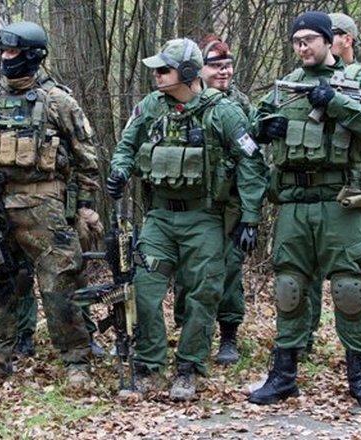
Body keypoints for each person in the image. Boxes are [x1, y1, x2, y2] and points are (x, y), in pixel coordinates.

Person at [0, 21, 101, 391]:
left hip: (44, 207)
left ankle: (77, 362)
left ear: (32, 55)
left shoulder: (59, 102)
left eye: (12, 51)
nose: (5, 58)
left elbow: (87, 160)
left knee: (60, 282)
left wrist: (85, 206)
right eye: (3, 51)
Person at [106, 38, 267, 401]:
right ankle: (150, 364)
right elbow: (127, 146)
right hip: (160, 217)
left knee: (203, 293)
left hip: (205, 218)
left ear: (189, 72)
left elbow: (251, 164)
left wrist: (250, 218)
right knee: (144, 289)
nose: (157, 75)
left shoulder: (222, 112)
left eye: (165, 70)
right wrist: (120, 171)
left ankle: (188, 368)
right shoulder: (150, 107)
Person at [247, 11, 361, 409]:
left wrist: (337, 103)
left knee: (349, 288)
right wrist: (263, 129)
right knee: (289, 288)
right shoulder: (284, 87)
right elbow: (252, 129)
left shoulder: (356, 83)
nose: (302, 46)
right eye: (297, 41)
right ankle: (283, 376)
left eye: (310, 39)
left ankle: (360, 377)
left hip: (340, 202)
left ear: (329, 41)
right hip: (293, 203)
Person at [302, 13, 361, 370]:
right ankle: (302, 338)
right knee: (302, 271)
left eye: (333, 33)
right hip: (311, 189)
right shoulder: (306, 78)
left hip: (354, 184)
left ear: (346, 39)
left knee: (355, 272)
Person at [173, 34, 260, 366]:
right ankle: (190, 332)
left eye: (228, 65)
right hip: (194, 202)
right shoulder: (184, 102)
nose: (224, 71)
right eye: (215, 65)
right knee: (188, 272)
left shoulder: (240, 104)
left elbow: (252, 157)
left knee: (230, 268)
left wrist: (250, 216)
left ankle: (228, 335)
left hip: (230, 203)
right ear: (199, 69)